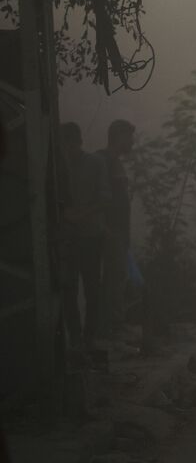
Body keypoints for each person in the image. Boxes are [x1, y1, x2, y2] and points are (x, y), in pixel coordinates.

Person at [59, 122, 111, 350]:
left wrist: (79, 215)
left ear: (75, 142)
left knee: (91, 288)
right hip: (68, 236)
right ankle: (76, 337)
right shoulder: (59, 165)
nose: (66, 150)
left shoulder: (95, 162)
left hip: (90, 234)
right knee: (68, 287)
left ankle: (88, 337)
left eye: (67, 144)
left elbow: (105, 198)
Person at [94, 119, 135, 336]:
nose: (132, 143)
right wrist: (104, 227)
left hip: (118, 232)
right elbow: (99, 197)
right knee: (112, 279)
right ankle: (111, 328)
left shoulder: (114, 162)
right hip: (109, 232)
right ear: (118, 136)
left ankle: (111, 325)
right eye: (129, 137)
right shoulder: (102, 160)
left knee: (117, 277)